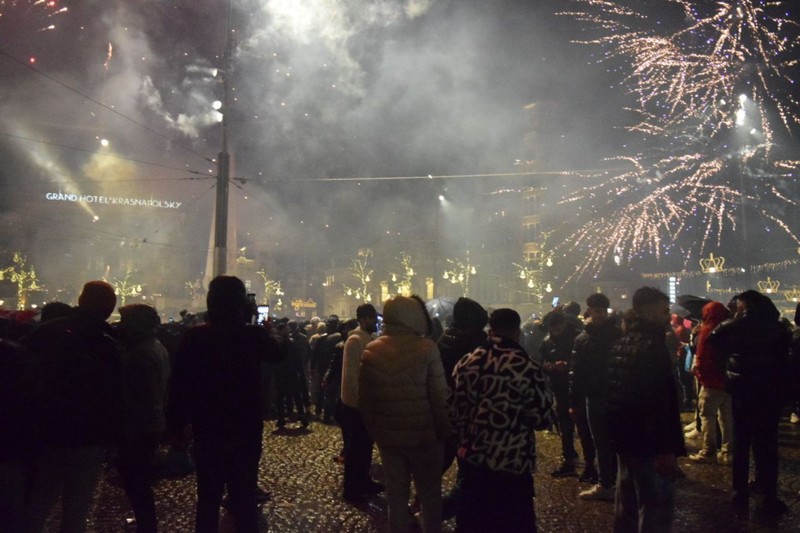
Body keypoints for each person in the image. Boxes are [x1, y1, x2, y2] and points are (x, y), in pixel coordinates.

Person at [166, 275, 284, 533]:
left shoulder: (194, 337)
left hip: (207, 426)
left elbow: (179, 384)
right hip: (245, 426)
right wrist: (266, 326)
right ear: (242, 303)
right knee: (243, 497)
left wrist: (176, 426)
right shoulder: (252, 334)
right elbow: (278, 353)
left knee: (207, 497)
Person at [23, 281, 123, 533]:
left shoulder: (45, 333)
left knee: (38, 502)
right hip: (87, 436)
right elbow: (112, 395)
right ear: (108, 308)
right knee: (76, 509)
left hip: (45, 430)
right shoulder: (107, 344)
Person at [450, 308, 554, 533]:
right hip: (513, 463)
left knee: (474, 522)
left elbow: (455, 412)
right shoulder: (526, 367)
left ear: (490, 330)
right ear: (517, 332)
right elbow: (542, 418)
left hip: (474, 459)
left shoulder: (468, 362)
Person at [359, 295, 450, 533]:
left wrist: (377, 432)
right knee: (430, 498)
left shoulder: (371, 351)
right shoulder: (426, 348)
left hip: (390, 440)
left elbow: (366, 403)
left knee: (396, 499)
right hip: (425, 438)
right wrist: (445, 432)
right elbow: (440, 398)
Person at [606, 287, 685, 533]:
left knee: (626, 506)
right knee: (656, 509)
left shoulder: (623, 342)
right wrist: (665, 448)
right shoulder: (652, 347)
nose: (667, 316)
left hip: (626, 439)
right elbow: (658, 401)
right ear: (648, 311)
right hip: (649, 443)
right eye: (663, 311)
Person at [710, 290, 792, 523]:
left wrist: (727, 368)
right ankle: (768, 494)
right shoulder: (778, 328)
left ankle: (739, 492)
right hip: (769, 393)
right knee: (767, 446)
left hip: (743, 391)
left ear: (746, 306)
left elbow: (713, 340)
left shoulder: (735, 326)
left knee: (742, 443)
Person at [116, 303, 170, 533]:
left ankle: (147, 525)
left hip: (139, 427)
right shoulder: (154, 347)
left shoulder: (141, 354)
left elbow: (145, 396)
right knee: (139, 479)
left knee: (135, 480)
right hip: (148, 423)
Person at [436, 297, 488, 519]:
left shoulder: (444, 337)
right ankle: (448, 509)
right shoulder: (475, 341)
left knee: (444, 457)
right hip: (469, 410)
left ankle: (425, 499)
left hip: (446, 405)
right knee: (467, 465)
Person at [570, 293, 622, 501]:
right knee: (600, 442)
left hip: (615, 396)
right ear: (589, 311)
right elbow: (576, 373)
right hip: (594, 397)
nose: (599, 315)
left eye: (602, 311)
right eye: (596, 311)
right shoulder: (582, 339)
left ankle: (618, 482)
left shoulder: (618, 335)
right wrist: (574, 402)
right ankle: (606, 482)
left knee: (617, 441)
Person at [540, 311, 594, 480]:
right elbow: (541, 361)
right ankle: (569, 459)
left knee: (583, 426)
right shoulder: (547, 342)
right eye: (552, 328)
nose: (556, 330)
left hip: (578, 388)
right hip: (559, 387)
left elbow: (586, 362)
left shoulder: (578, 338)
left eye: (558, 326)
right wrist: (550, 366)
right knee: (565, 425)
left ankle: (591, 463)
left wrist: (568, 366)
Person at [339, 304, 383, 503]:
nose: (376, 323)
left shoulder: (365, 338)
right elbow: (352, 376)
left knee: (365, 448)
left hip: (365, 404)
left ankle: (363, 481)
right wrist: (358, 402)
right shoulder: (356, 340)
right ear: (364, 319)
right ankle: (351, 489)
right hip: (356, 405)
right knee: (356, 449)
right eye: (373, 319)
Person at [688, 301, 732, 465]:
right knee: (727, 418)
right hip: (727, 381)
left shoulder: (706, 331)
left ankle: (709, 451)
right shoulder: (728, 329)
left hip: (711, 382)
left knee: (707, 416)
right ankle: (728, 452)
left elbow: (701, 357)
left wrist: (700, 375)